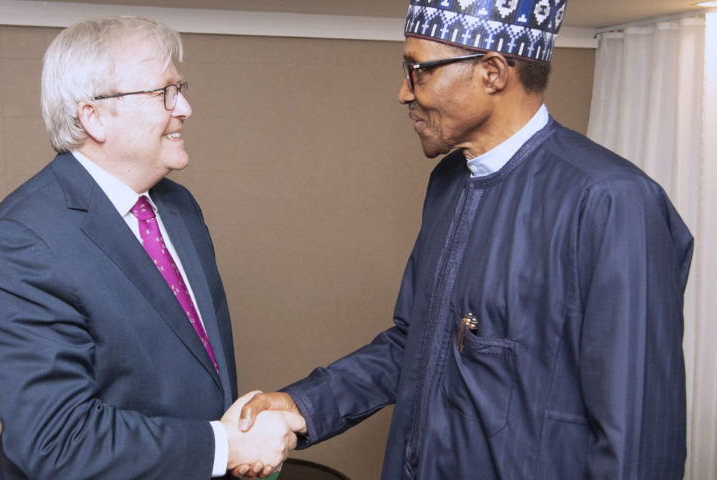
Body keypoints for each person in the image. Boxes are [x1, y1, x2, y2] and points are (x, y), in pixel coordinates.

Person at [237, 1, 693, 478]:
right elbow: (415, 343)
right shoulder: (450, 181)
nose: (403, 93)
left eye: (418, 71)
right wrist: (302, 404)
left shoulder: (613, 200)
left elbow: (640, 437)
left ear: (493, 72)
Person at [0, 16, 302, 479]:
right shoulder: (18, 244)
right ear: (94, 117)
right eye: (163, 92)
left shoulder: (179, 207)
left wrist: (230, 447)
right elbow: (58, 441)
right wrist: (223, 447)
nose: (184, 107)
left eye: (179, 87)